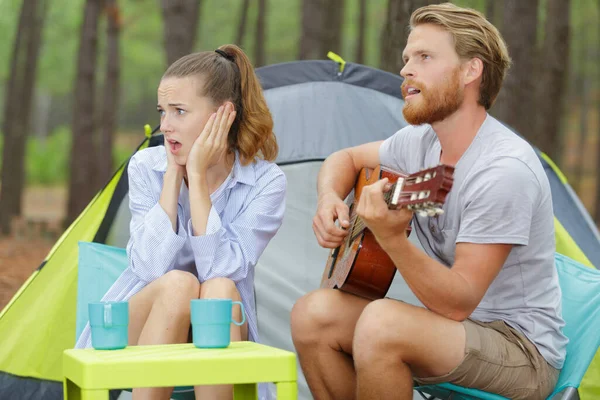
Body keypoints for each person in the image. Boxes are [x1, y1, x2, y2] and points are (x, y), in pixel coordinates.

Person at [290, 3, 566, 400]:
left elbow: (458, 303)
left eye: (424, 57)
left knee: (381, 323)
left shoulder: (504, 170)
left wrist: (392, 239)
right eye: (406, 58)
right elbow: (346, 158)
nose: (405, 70)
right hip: (455, 329)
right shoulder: (420, 142)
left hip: (521, 350)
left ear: (471, 70)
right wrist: (329, 198)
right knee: (313, 315)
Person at [75, 44, 286, 400]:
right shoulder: (147, 166)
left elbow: (224, 270)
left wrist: (198, 179)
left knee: (217, 288)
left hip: (224, 323)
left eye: (179, 111)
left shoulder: (266, 182)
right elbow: (148, 266)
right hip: (145, 319)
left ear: (223, 115)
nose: (165, 126)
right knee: (178, 284)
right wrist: (174, 176)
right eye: (163, 111)